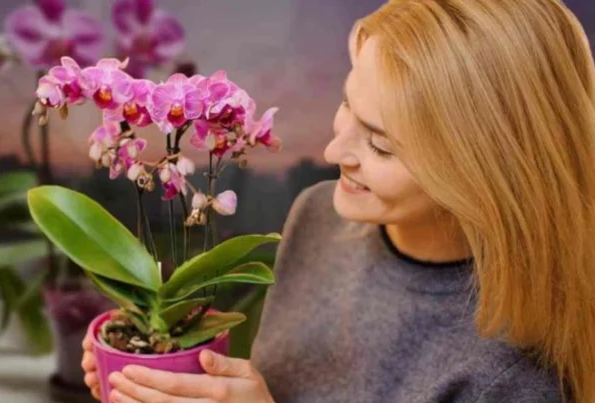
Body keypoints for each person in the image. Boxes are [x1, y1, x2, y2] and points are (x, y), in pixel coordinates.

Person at [81, 0, 595, 401]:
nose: (333, 153)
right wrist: (158, 379)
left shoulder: (514, 378)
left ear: (485, 172)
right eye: (348, 102)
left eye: (381, 145)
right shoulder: (319, 214)